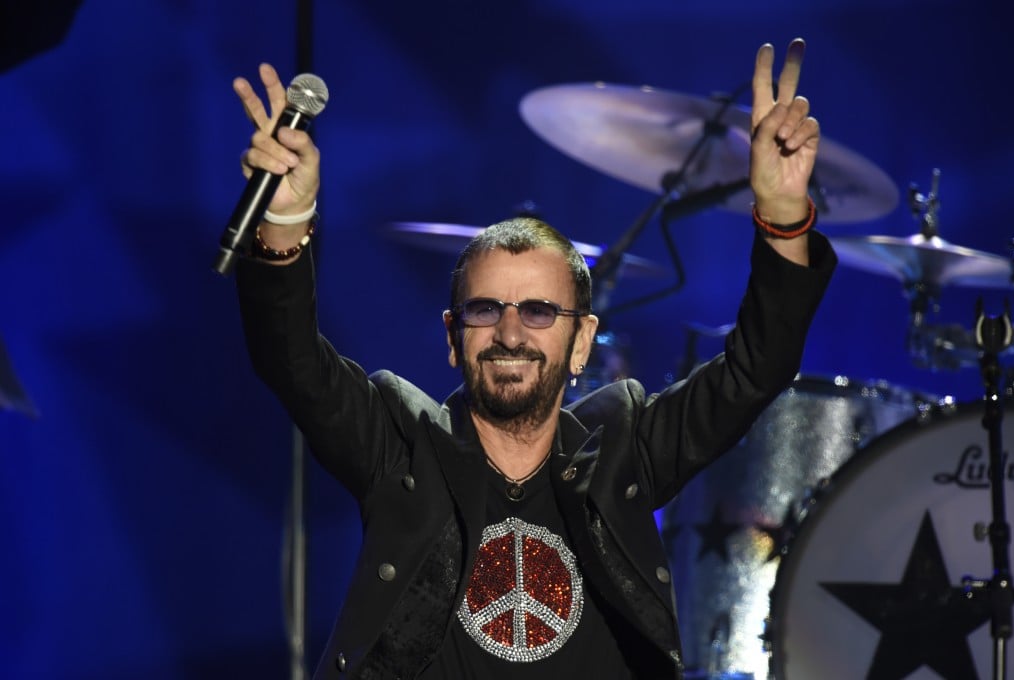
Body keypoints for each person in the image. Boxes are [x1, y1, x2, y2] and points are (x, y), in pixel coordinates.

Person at [231, 38, 835, 679]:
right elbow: (289, 357)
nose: (510, 331)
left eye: (540, 311)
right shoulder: (401, 445)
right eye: (485, 309)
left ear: (581, 342)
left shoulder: (625, 448)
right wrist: (285, 216)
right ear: (451, 335)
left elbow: (757, 368)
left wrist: (781, 214)